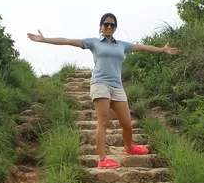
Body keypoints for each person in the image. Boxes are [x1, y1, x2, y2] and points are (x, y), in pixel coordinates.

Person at [27, 13, 179, 168]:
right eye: (106, 24)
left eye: (112, 25)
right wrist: (45, 39)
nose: (109, 27)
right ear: (101, 26)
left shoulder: (121, 45)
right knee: (104, 121)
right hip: (100, 84)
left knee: (127, 123)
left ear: (115, 28)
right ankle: (102, 160)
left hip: (117, 86)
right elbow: (68, 41)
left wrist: (162, 50)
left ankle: (129, 147)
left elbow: (142, 47)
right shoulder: (94, 42)